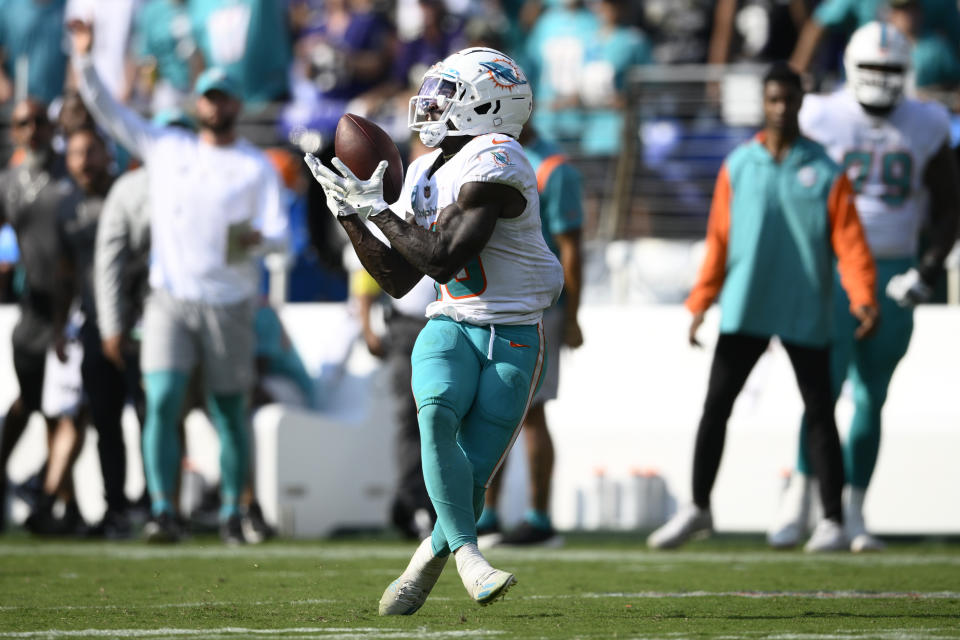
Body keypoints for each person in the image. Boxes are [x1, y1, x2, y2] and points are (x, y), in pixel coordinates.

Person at [305, 47, 563, 613]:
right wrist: (351, 214)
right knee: (436, 411)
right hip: (449, 321)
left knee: (469, 476)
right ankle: (471, 560)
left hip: (513, 332)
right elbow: (399, 278)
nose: (432, 103)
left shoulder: (501, 158)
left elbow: (443, 258)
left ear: (489, 105)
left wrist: (380, 211)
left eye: (450, 92)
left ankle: (426, 561)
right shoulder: (424, 169)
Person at [70, 20, 288, 544]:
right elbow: (108, 110)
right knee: (162, 400)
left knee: (231, 409)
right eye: (208, 97)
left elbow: (283, 236)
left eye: (223, 97)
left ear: (236, 105)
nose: (215, 105)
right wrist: (84, 59)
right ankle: (164, 510)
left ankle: (236, 510)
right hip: (170, 298)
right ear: (197, 104)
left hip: (230, 301)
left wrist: (260, 240)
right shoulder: (168, 147)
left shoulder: (254, 165)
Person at [646, 63, 879, 553]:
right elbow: (719, 239)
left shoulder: (827, 170)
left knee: (820, 412)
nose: (780, 108)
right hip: (746, 304)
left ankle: (832, 520)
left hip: (802, 307)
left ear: (799, 101)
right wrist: (701, 301)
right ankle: (698, 508)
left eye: (788, 99)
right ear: (764, 102)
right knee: (716, 407)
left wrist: (862, 297)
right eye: (772, 99)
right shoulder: (739, 166)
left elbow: (850, 244)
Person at [768, 22, 960, 552]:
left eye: (890, 69)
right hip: (831, 270)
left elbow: (949, 206)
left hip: (895, 272)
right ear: (851, 68)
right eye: (871, 68)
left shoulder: (927, 121)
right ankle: (803, 501)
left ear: (909, 73)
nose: (879, 79)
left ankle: (853, 512)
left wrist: (926, 271)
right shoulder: (821, 114)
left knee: (873, 397)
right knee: (820, 393)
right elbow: (783, 182)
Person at [477, 124, 583, 547]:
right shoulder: (486, 156)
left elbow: (571, 246)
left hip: (539, 305)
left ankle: (539, 517)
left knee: (532, 410)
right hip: (494, 304)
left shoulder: (554, 167)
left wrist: (573, 314)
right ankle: (487, 514)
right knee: (489, 407)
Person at [0, 99, 77, 533]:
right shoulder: (9, 182)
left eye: (39, 122)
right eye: (23, 123)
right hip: (33, 308)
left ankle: (60, 502)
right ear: (15, 132)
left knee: (61, 409)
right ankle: (54, 499)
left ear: (52, 127)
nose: (32, 130)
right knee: (32, 402)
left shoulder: (72, 173)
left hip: (74, 309)